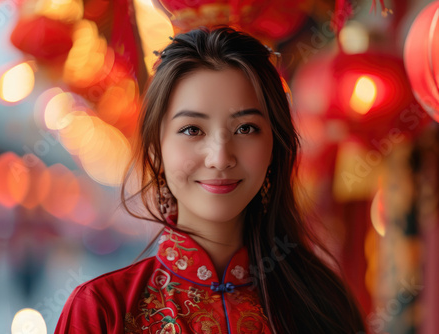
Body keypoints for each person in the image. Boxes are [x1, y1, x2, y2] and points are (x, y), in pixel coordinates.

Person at [55, 26, 366, 333]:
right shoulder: (103, 310)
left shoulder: (322, 306)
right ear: (156, 148)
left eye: (246, 128)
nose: (219, 157)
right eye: (192, 130)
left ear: (275, 146)